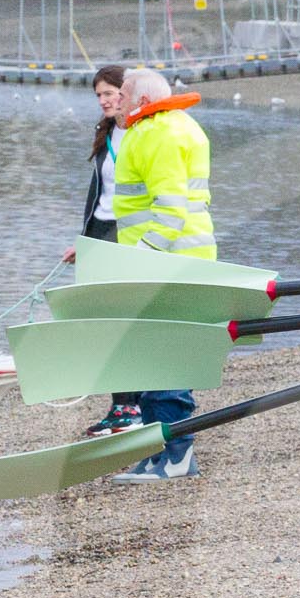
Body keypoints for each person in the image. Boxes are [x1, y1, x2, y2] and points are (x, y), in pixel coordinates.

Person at [109, 67, 214, 483]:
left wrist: (141, 258)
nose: (117, 102)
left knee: (161, 356)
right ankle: (162, 451)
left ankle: (175, 454)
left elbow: (169, 210)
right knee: (162, 352)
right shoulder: (179, 126)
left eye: (125, 95)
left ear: (144, 101)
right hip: (186, 259)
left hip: (165, 262)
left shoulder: (156, 132)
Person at [66, 65, 144, 439]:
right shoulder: (107, 133)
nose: (104, 101)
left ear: (126, 92)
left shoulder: (144, 132)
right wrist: (82, 241)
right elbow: (96, 194)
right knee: (102, 322)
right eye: (98, 95)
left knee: (123, 322)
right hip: (100, 232)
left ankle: (132, 406)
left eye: (110, 93)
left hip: (126, 235)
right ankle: (120, 405)